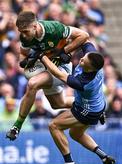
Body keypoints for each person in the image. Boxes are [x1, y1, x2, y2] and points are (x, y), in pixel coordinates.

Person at [6, 11, 89, 140]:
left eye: (25, 31)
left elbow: (84, 35)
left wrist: (64, 51)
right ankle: (90, 107)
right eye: (20, 31)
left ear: (35, 26)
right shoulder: (25, 36)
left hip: (61, 68)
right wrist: (25, 61)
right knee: (58, 104)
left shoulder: (54, 29)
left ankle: (16, 126)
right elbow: (23, 55)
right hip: (43, 65)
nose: (23, 35)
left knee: (33, 84)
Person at [40, 41, 115, 164]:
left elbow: (58, 74)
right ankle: (104, 157)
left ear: (90, 69)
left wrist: (42, 56)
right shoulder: (94, 57)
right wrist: (66, 45)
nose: (81, 58)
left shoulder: (83, 82)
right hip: (96, 104)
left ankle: (70, 163)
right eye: (83, 57)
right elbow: (85, 40)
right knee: (75, 134)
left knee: (54, 125)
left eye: (83, 61)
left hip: (87, 109)